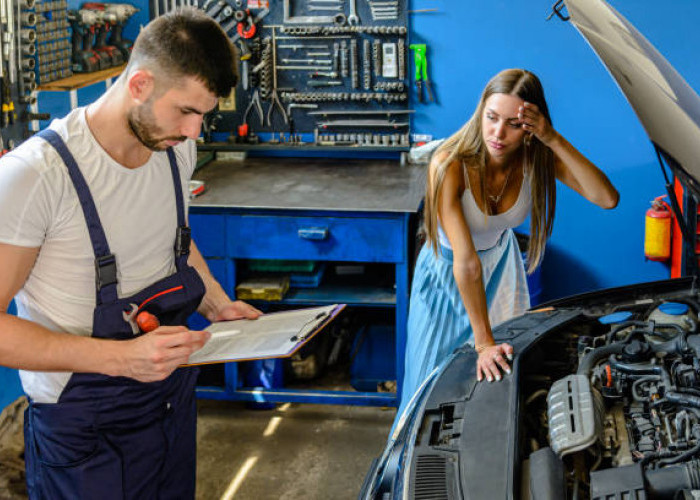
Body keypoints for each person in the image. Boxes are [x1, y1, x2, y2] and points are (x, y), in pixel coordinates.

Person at [0, 8, 262, 498]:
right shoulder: (35, 176)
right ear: (139, 84)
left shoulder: (172, 148)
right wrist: (122, 359)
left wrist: (216, 304)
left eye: (203, 115)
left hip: (167, 403)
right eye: (186, 111)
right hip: (83, 431)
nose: (194, 133)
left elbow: (175, 242)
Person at [399, 68, 619, 413]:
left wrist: (553, 139)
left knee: (495, 385)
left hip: (500, 270)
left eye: (513, 124)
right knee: (428, 390)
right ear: (481, 112)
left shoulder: (536, 157)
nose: (498, 133)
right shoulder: (448, 164)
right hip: (448, 276)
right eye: (491, 118)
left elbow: (606, 198)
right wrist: (483, 341)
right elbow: (466, 262)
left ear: (531, 125)